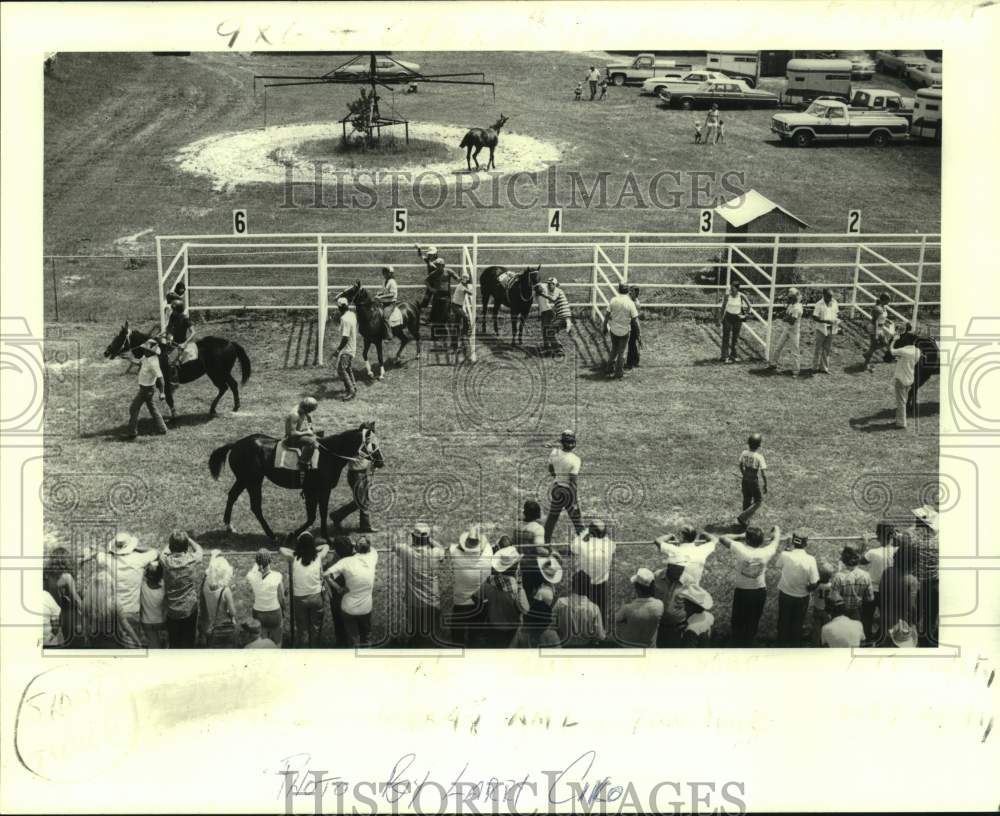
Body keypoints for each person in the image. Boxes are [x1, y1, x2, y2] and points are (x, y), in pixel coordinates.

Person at [718, 525, 781, 646]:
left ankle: (737, 644)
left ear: (747, 540)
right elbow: (776, 540)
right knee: (753, 621)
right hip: (759, 591)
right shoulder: (767, 552)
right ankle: (749, 643)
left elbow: (722, 538)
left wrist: (740, 536)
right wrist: (776, 529)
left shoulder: (741, 549)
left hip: (742, 591)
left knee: (737, 622)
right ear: (761, 541)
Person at [393, 523, 445, 647]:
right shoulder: (436, 552)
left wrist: (413, 542)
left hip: (414, 603)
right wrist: (429, 539)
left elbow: (394, 546)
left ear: (413, 536)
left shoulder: (405, 551)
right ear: (427, 539)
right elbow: (441, 549)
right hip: (433, 602)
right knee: (433, 635)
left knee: (415, 634)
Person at [324, 536, 378, 647]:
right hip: (362, 604)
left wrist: (338, 588)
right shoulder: (363, 559)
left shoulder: (335, 564)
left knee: (343, 633)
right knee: (364, 633)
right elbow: (370, 549)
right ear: (351, 547)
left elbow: (326, 575)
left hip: (339, 602)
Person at [106, 531, 160, 640]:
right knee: (133, 642)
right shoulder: (138, 559)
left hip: (112, 610)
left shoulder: (107, 560)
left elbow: (98, 554)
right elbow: (155, 552)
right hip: (132, 610)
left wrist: (111, 551)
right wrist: (136, 548)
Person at [279, 532, 330, 648]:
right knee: (315, 630)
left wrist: (298, 550)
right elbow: (326, 546)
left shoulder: (294, 557)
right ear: (312, 544)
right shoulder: (318, 557)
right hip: (316, 597)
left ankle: (304, 655)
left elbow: (281, 549)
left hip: (300, 599)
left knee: (302, 631)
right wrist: (315, 548)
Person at [446, 526, 493, 647]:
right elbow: (487, 544)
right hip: (481, 602)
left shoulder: (456, 553)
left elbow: (451, 548)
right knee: (476, 636)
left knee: (457, 637)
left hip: (461, 603)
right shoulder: (488, 552)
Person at [775, 531, 820, 647]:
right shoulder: (810, 559)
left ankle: (781, 645)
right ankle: (794, 646)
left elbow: (778, 565)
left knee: (783, 622)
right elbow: (815, 582)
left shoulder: (785, 555)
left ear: (793, 542)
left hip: (785, 594)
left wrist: (787, 548)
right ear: (806, 543)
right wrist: (808, 589)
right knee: (797, 623)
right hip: (802, 597)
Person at [160, 530, 204, 648]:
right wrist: (188, 539)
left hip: (172, 609)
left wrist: (173, 542)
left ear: (170, 546)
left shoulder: (165, 561)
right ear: (186, 546)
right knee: (189, 640)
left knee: (174, 641)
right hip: (189, 609)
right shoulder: (192, 559)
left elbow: (164, 551)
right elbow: (199, 550)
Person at [481, 542, 530, 648]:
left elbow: (481, 596)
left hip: (493, 625)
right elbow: (525, 609)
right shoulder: (517, 590)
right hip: (510, 628)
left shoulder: (488, 583)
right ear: (515, 567)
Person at [570, 519, 616, 626]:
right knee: (601, 611)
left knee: (581, 610)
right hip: (601, 585)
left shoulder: (583, 545)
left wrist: (584, 534)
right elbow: (607, 540)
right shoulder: (611, 545)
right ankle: (600, 633)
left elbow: (573, 547)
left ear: (591, 532)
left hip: (583, 585)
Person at [877, 533, 920, 646]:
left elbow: (881, 594)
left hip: (886, 615)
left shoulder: (888, 572)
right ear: (913, 563)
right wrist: (916, 620)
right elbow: (911, 606)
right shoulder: (912, 581)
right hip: (902, 621)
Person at [544, 430, 585, 543]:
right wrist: (575, 500)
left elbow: (551, 470)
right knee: (577, 520)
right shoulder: (575, 460)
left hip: (557, 488)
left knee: (552, 518)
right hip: (568, 492)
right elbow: (573, 482)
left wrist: (558, 477)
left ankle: (545, 542)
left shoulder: (554, 453)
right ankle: (586, 544)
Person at [329, 438, 377, 533]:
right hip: (356, 474)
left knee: (365, 499)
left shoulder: (371, 445)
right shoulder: (354, 446)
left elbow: (373, 459)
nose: (369, 439)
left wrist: (372, 472)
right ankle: (337, 515)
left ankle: (365, 526)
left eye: (370, 436)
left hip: (366, 473)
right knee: (360, 501)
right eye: (366, 436)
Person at [859, 522, 896, 642]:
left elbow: (860, 560)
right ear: (892, 536)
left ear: (878, 536)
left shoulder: (872, 553)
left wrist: (865, 544)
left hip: (871, 589)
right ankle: (880, 638)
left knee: (866, 617)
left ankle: (868, 638)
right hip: (888, 589)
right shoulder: (897, 551)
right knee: (886, 616)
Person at [126, 338, 168, 439]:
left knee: (133, 408)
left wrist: (162, 393)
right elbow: (139, 362)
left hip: (147, 390)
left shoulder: (153, 363)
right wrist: (128, 358)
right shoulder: (146, 357)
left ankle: (132, 432)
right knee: (152, 409)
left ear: (151, 351)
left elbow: (161, 378)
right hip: (145, 389)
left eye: (146, 349)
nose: (144, 350)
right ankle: (163, 428)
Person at [613, 567, 664, 647]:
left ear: (637, 589)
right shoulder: (660, 605)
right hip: (649, 646)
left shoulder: (627, 608)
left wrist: (622, 606)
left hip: (629, 645)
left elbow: (616, 618)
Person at [654, 525, 718, 586]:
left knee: (657, 573)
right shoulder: (702, 550)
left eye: (678, 534)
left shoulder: (674, 550)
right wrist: (704, 534)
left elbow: (658, 540)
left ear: (681, 536)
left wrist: (670, 535)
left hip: (678, 588)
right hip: (695, 586)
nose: (677, 535)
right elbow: (715, 539)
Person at [43, 545, 83, 645]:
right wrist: (86, 610)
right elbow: (76, 598)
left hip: (49, 609)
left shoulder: (46, 573)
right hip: (63, 611)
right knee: (67, 637)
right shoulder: (66, 577)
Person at [554, 570, 606, 646]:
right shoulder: (594, 608)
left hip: (563, 647)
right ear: (588, 588)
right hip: (585, 649)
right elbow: (600, 636)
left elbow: (550, 626)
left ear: (572, 585)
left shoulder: (560, 603)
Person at [247, 548, 286, 647]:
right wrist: (284, 611)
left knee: (262, 644)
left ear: (256, 562)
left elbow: (253, 570)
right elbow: (282, 598)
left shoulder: (251, 576)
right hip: (274, 612)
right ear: (270, 561)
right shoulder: (277, 576)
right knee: (277, 642)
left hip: (259, 612)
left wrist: (258, 563)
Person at [200, 551, 237, 647]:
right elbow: (233, 612)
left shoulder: (205, 586)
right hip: (225, 627)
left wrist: (213, 556)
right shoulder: (226, 591)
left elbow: (210, 571)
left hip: (212, 625)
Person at [603, 282, 639, 378]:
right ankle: (619, 373)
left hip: (613, 330)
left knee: (614, 350)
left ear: (619, 290)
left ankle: (609, 368)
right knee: (622, 352)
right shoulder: (630, 303)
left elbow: (606, 315)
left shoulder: (613, 300)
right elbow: (635, 320)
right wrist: (639, 334)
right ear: (627, 291)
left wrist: (604, 326)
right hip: (624, 331)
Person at [890, 323, 921, 429]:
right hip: (909, 377)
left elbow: (891, 351)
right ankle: (900, 419)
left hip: (901, 378)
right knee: (903, 400)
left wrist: (894, 340)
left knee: (901, 402)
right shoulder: (917, 351)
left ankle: (901, 422)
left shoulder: (904, 350)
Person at [830, 546, 874, 621]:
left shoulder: (838, 577)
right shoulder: (866, 576)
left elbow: (833, 598)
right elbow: (870, 598)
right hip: (857, 611)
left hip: (840, 612)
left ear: (843, 560)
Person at [766, 288, 804, 375]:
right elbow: (787, 315)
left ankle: (796, 371)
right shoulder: (791, 305)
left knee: (794, 351)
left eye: (791, 297)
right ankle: (773, 364)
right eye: (789, 297)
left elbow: (792, 320)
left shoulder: (797, 307)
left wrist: (783, 318)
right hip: (787, 329)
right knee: (778, 347)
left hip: (794, 331)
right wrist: (785, 317)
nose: (789, 299)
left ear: (795, 297)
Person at [652, 561, 689, 648]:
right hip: (657, 626)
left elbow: (692, 603)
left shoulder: (689, 581)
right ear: (669, 565)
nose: (680, 572)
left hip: (677, 627)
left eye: (682, 568)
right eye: (677, 568)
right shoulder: (657, 576)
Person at [737, 432, 768, 529]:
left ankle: (744, 522)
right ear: (759, 445)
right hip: (753, 479)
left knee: (747, 498)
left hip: (745, 478)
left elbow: (740, 465)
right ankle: (743, 517)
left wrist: (744, 474)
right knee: (758, 501)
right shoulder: (759, 457)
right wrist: (765, 484)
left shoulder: (744, 453)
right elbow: (763, 473)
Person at [163, 298, 196, 383]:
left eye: (174, 310)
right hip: (172, 342)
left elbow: (193, 333)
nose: (172, 312)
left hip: (181, 344)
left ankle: (175, 379)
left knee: (173, 362)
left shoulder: (185, 319)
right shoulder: (173, 316)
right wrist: (169, 336)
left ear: (179, 310)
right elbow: (169, 328)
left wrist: (185, 343)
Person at [284, 397, 319, 472]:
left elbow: (309, 417)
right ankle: (303, 463)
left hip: (298, 433)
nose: (310, 412)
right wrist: (307, 432)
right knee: (311, 442)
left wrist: (310, 426)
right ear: (306, 408)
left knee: (319, 435)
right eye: (310, 410)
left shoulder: (302, 409)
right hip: (291, 439)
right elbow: (292, 433)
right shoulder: (295, 415)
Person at [447, 268, 475, 359]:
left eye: (466, 278)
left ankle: (454, 345)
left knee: (456, 325)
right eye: (463, 278)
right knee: (465, 316)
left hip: (457, 305)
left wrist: (469, 283)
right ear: (462, 279)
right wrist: (471, 286)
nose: (464, 279)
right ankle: (466, 332)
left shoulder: (463, 285)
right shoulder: (461, 286)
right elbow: (470, 293)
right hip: (455, 306)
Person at [718, 281, 749, 363]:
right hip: (728, 317)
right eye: (731, 287)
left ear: (737, 288)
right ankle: (724, 357)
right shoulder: (727, 296)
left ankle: (734, 356)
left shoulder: (742, 296)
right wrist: (720, 318)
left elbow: (749, 306)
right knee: (726, 337)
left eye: (733, 287)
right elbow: (723, 307)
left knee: (735, 338)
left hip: (737, 318)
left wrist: (745, 315)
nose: (731, 288)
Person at [140, 559, 168, 648]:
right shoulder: (164, 587)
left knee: (153, 645)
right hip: (161, 621)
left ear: (147, 575)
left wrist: (149, 561)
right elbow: (165, 571)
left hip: (146, 622)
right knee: (165, 643)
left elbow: (141, 569)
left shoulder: (142, 585)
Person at [811, 288, 840, 374]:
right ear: (824, 295)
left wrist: (837, 321)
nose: (830, 298)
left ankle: (824, 368)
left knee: (827, 349)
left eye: (831, 296)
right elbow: (815, 317)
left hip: (832, 328)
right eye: (828, 296)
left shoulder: (834, 303)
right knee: (818, 348)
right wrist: (825, 321)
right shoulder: (819, 304)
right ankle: (814, 367)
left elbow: (837, 313)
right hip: (821, 329)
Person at [334, 297, 358, 400]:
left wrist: (338, 350)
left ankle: (351, 391)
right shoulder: (352, 314)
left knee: (341, 369)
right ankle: (353, 386)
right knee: (347, 368)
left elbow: (345, 337)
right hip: (353, 346)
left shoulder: (345, 319)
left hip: (347, 349)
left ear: (340, 307)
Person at [862, 293, 893, 372]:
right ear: (884, 300)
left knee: (885, 343)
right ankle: (866, 365)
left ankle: (867, 353)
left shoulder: (883, 307)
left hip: (880, 328)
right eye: (888, 300)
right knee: (873, 346)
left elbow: (882, 317)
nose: (889, 302)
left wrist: (887, 321)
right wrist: (875, 334)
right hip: (874, 328)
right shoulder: (877, 308)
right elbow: (875, 321)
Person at [808, 560, 836, 646]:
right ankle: (826, 644)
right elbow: (833, 599)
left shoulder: (817, 585)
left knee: (816, 628)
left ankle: (815, 645)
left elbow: (809, 588)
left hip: (817, 608)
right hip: (827, 610)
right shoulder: (831, 586)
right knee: (827, 628)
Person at [534, 280, 556, 355]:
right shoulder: (538, 294)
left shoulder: (543, 292)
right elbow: (540, 306)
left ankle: (555, 347)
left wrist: (542, 293)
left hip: (548, 312)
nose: (538, 289)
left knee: (547, 330)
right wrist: (539, 314)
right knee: (544, 330)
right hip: (544, 313)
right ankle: (547, 347)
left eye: (539, 288)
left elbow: (551, 299)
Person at [625, 285, 642, 370]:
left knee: (632, 343)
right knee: (632, 343)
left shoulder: (635, 302)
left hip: (633, 323)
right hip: (631, 323)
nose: (630, 293)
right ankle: (632, 361)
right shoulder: (632, 301)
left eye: (632, 291)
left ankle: (632, 361)